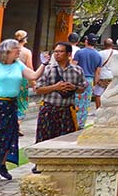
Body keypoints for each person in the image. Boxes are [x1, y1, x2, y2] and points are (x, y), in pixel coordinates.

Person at [0, 38, 40, 185]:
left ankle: (1, 165)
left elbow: (34, 76)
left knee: (8, 136)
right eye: (16, 48)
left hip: (11, 105)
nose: (19, 50)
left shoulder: (18, 64)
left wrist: (46, 64)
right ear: (7, 50)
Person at [32, 41, 86, 170]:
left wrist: (74, 87)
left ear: (68, 54)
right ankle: (41, 163)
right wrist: (55, 87)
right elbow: (38, 89)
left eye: (60, 51)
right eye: (55, 52)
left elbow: (83, 88)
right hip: (49, 108)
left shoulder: (77, 70)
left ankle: (62, 163)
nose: (57, 54)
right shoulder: (48, 69)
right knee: (44, 137)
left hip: (66, 109)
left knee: (65, 139)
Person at [71, 34, 102, 128]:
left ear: (86, 41)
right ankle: (81, 123)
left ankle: (73, 122)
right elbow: (98, 72)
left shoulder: (80, 52)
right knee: (85, 103)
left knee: (75, 101)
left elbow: (73, 66)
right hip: (89, 80)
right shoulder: (98, 55)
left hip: (78, 79)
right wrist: (95, 84)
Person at [13, 30, 33, 134]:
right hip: (21, 80)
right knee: (21, 103)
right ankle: (18, 122)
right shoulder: (26, 52)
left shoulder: (9, 49)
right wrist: (33, 82)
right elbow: (29, 68)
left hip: (9, 79)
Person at [96, 36, 117, 109]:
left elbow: (97, 65)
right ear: (112, 44)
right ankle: (111, 108)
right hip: (113, 75)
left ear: (104, 45)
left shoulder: (100, 53)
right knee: (112, 94)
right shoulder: (117, 53)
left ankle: (98, 109)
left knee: (98, 94)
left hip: (102, 75)